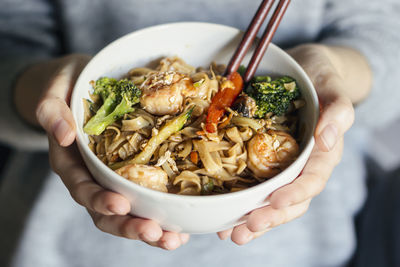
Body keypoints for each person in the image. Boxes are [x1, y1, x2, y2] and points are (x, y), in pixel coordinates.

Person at [1, 0, 399, 266]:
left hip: (299, 249)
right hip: (61, 246)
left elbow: (385, 42)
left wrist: (333, 71)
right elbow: (10, 47)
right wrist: (48, 92)